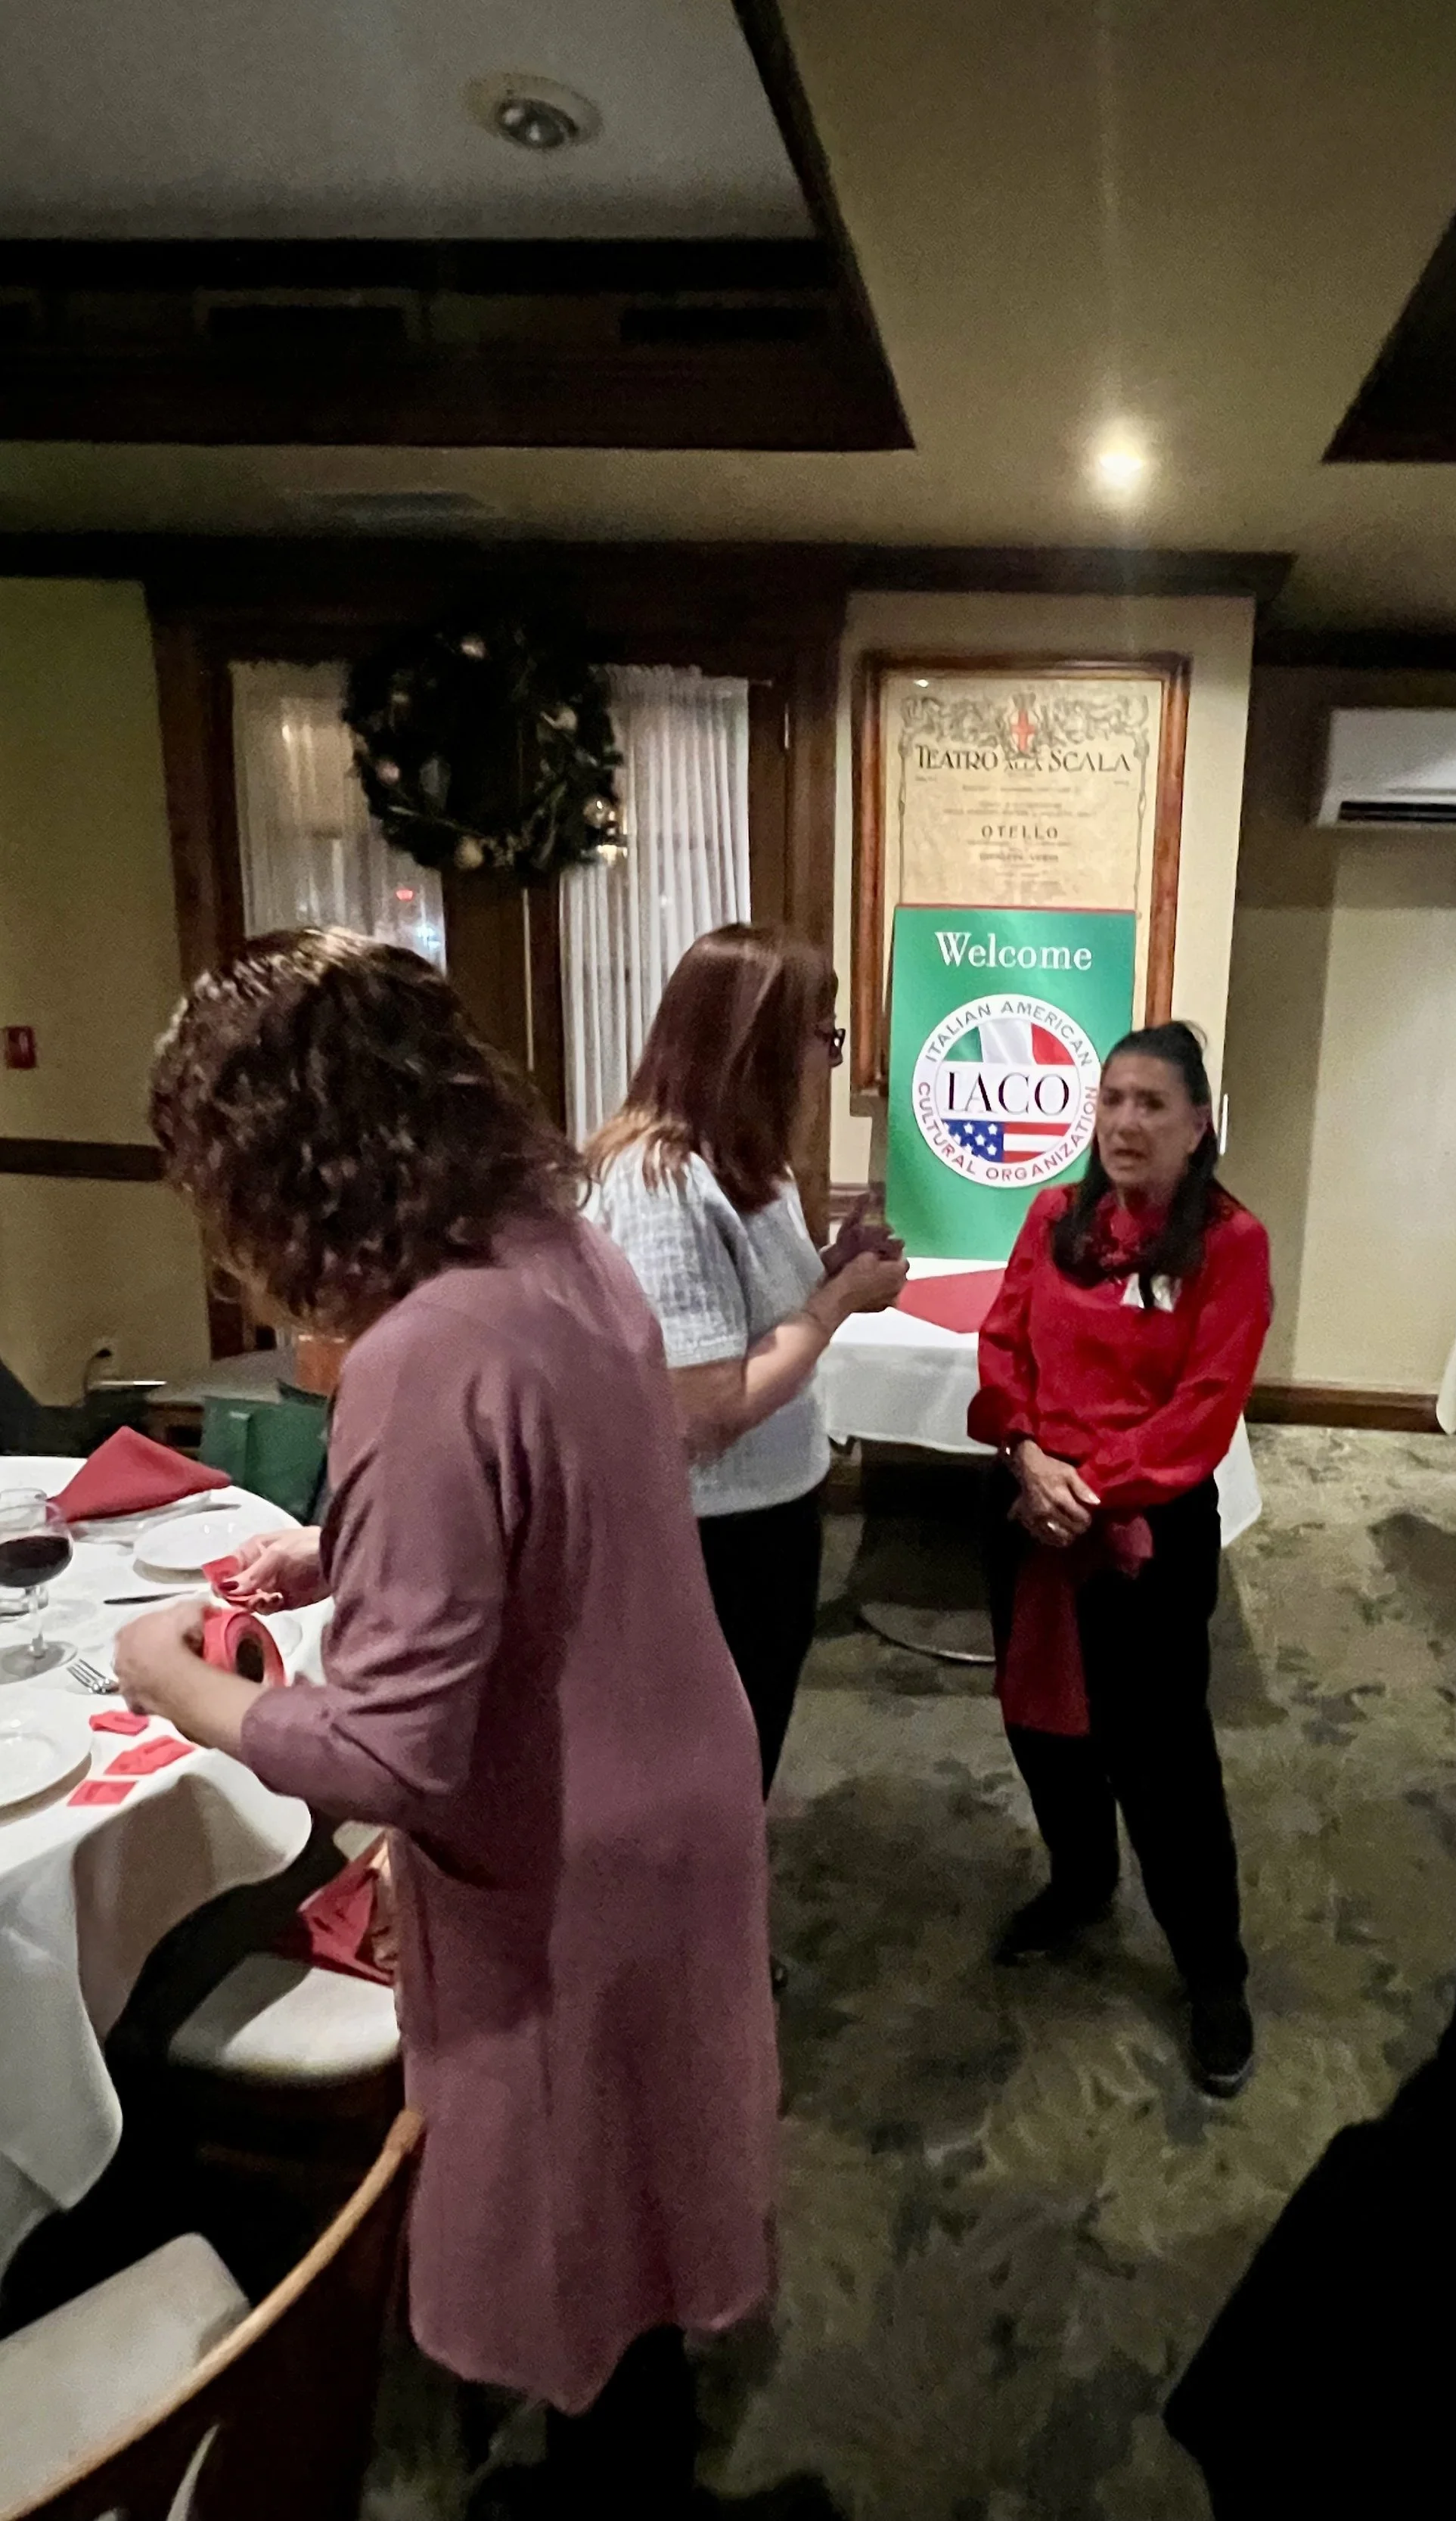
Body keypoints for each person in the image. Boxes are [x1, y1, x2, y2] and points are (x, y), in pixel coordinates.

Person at [113, 930, 790, 2520]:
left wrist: (176, 1679)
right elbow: (556, 1495)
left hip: (566, 1852)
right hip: (676, 1773)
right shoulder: (557, 1247)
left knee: (567, 2198)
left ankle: (602, 2484)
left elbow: (389, 1756)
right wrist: (344, 1542)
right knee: (640, 2177)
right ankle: (630, 2446)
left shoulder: (419, 1351)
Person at [967, 1022, 1273, 2098]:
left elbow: (1204, 1410)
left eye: (1153, 1104)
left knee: (1165, 1761)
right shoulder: (1055, 1216)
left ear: (1199, 1127)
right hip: (1032, 1511)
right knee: (1040, 1724)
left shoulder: (1230, 1244)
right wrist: (1026, 1453)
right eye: (1112, 1100)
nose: (1127, 1122)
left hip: (1142, 1531)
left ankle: (1213, 1973)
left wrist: (1085, 1488)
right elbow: (1001, 1345)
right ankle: (1081, 1879)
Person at [588, 924, 907, 1799]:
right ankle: (692, 1936)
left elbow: (758, 1321)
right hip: (710, 1537)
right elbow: (706, 1408)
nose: (828, 1063)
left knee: (746, 1752)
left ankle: (718, 1928)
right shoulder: (661, 1182)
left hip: (769, 1511)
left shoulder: (743, 1165)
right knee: (705, 1772)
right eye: (822, 1037)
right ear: (760, 1046)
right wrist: (837, 1304)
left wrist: (833, 1268)